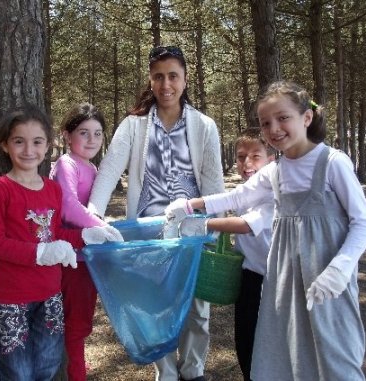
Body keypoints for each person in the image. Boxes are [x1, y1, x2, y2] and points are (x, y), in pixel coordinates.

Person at [165, 81, 366, 381]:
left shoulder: (333, 163)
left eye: (283, 118)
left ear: (306, 118)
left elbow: (364, 223)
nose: (274, 128)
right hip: (285, 278)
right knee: (284, 349)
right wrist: (189, 206)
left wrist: (340, 269)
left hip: (327, 278)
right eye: (266, 123)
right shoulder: (275, 171)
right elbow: (237, 197)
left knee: (334, 351)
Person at [87, 45, 225, 381]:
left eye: (173, 76)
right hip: (149, 236)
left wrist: (212, 228)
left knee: (196, 311)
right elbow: (108, 171)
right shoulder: (133, 125)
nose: (166, 84)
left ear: (185, 79)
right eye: (159, 77)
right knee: (156, 307)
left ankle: (193, 372)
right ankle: (166, 374)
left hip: (191, 235)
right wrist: (92, 217)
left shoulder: (203, 126)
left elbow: (213, 181)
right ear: (150, 81)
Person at [0, 104, 117, 380]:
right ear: (6, 145)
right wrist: (41, 252)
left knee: (47, 366)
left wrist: (85, 235)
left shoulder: (52, 189)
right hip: (11, 298)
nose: (28, 149)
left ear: (47, 146)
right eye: (19, 141)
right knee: (17, 372)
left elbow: (56, 235)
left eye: (37, 141)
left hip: (50, 294)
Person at [179, 133, 275, 380]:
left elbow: (246, 224)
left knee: (266, 343)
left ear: (272, 160)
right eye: (241, 157)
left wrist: (205, 224)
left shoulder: (275, 194)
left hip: (270, 281)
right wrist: (189, 205)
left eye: (256, 157)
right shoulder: (246, 190)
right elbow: (229, 198)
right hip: (247, 275)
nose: (247, 163)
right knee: (244, 339)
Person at [49, 103, 123, 380]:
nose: (92, 140)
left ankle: (75, 363)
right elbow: (68, 207)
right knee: (75, 322)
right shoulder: (66, 165)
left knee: (81, 318)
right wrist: (102, 227)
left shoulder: (91, 167)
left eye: (98, 133)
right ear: (67, 135)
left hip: (87, 256)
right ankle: (76, 371)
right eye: (84, 132)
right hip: (71, 257)